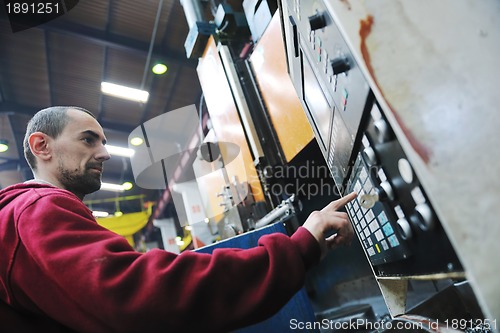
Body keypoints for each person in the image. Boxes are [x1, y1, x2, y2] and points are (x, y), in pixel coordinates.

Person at [0, 106, 357, 332]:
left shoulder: (26, 216)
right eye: (89, 140)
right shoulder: (37, 210)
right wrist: (298, 248)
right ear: (41, 146)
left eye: (104, 142)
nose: (105, 153)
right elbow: (144, 295)